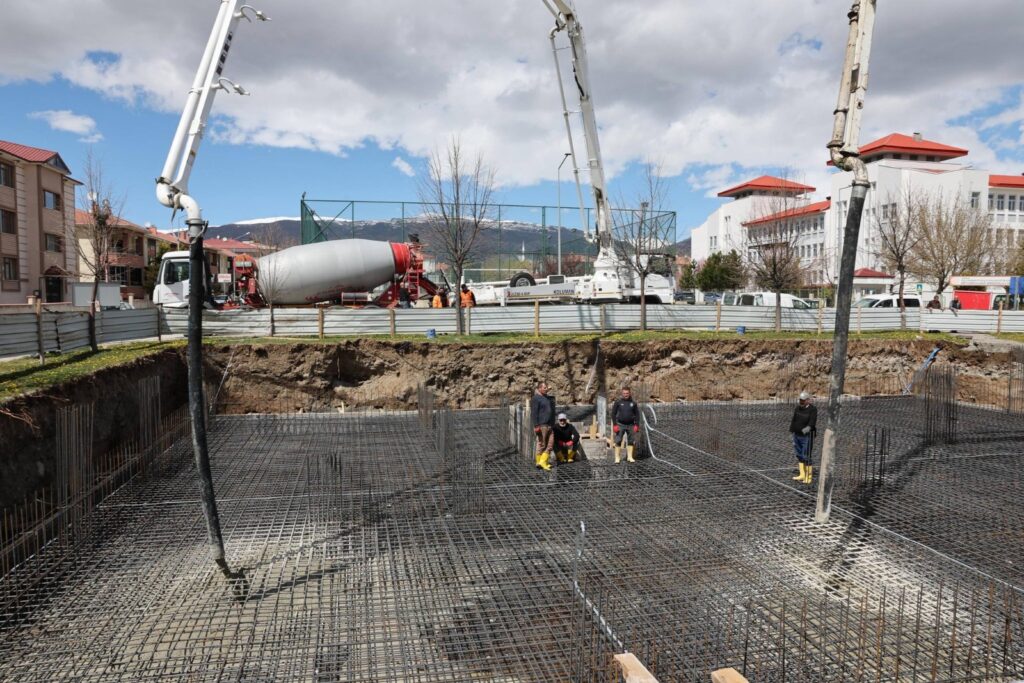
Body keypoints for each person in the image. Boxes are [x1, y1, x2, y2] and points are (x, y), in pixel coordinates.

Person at [788, 391, 817, 485]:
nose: (801, 402)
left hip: (807, 437)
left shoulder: (813, 409)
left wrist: (804, 430)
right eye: (800, 400)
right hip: (797, 435)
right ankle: (802, 475)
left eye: (803, 401)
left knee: (806, 456)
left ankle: (808, 477)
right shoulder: (797, 408)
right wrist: (792, 431)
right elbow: (793, 420)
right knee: (799, 455)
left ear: (808, 400)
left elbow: (812, 423)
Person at [530, 381, 556, 471]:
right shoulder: (536, 398)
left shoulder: (546, 397)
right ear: (539, 388)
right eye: (544, 388)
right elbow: (534, 413)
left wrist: (548, 389)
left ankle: (541, 462)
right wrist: (536, 425)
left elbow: (550, 397)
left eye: (546, 387)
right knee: (542, 444)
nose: (546, 389)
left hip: (549, 424)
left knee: (550, 444)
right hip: (542, 424)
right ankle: (540, 462)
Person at [610, 386, 639, 463]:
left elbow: (637, 414)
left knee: (631, 441)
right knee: (618, 440)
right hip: (620, 424)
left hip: (631, 425)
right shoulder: (618, 402)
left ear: (630, 393)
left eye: (627, 393)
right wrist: (615, 424)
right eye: (624, 393)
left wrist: (637, 425)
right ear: (622, 393)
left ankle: (629, 457)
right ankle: (617, 457)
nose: (625, 394)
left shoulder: (633, 403)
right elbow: (613, 414)